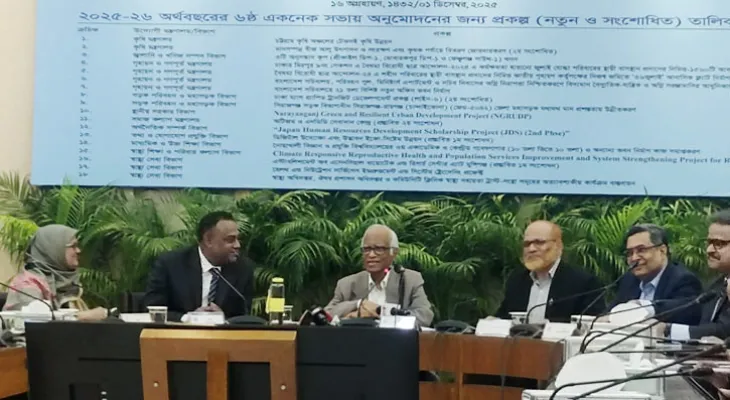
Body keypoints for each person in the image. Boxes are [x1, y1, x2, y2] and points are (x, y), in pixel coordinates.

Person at [142, 211, 254, 322]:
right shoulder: (170, 264)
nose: (237, 245)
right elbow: (152, 309)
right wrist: (189, 318)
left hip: (222, 333)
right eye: (230, 240)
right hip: (180, 331)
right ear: (208, 240)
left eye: (238, 239)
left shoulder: (243, 269)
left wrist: (223, 319)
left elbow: (244, 316)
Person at [494, 220, 604, 323]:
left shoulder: (583, 283)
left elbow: (592, 325)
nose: (531, 249)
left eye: (539, 242)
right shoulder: (517, 281)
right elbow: (504, 318)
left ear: (558, 245)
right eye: (527, 244)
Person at [325, 224, 434, 327]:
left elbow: (424, 316)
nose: (371, 255)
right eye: (367, 249)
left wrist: (380, 313)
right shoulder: (347, 284)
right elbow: (326, 315)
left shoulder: (409, 280)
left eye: (379, 249)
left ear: (394, 252)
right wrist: (358, 304)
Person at [2, 224, 108, 320]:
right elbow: (34, 323)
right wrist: (84, 317)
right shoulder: (26, 284)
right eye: (73, 246)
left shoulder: (68, 283)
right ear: (53, 249)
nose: (78, 251)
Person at [657, 210, 730, 340]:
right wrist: (650, 310)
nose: (709, 250)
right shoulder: (718, 284)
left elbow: (725, 330)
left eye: (719, 244)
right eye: (709, 243)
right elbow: (696, 313)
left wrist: (668, 331)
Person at [609, 224, 702, 325]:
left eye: (641, 250)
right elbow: (610, 312)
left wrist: (641, 306)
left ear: (662, 251)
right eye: (630, 253)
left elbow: (684, 314)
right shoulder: (629, 280)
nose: (634, 258)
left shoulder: (683, 280)